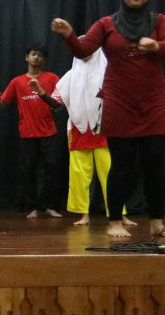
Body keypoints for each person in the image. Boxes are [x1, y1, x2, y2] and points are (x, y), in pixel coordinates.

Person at [52, 0, 165, 239]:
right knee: (120, 165)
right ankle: (114, 222)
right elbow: (84, 50)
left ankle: (157, 222)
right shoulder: (106, 24)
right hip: (119, 101)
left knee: (155, 165)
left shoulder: (159, 20)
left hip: (155, 102)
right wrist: (69, 34)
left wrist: (156, 46)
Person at [46, 49, 132, 228]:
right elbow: (56, 103)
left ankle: (120, 214)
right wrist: (41, 93)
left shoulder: (109, 70)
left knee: (110, 173)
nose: (84, 52)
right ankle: (83, 214)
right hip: (78, 130)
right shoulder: (71, 76)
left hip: (105, 129)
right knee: (79, 175)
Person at [0, 43, 63, 219]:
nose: (36, 57)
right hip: (27, 133)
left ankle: (48, 206)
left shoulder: (52, 78)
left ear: (44, 60)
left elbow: (59, 105)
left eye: (40, 55)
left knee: (52, 169)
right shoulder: (17, 81)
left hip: (49, 132)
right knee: (28, 171)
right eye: (33, 54)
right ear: (26, 57)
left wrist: (41, 92)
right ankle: (32, 207)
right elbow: (3, 103)